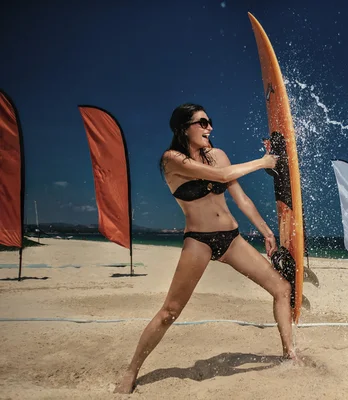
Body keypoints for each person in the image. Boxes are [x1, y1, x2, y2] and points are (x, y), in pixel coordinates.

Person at [114, 103, 298, 394]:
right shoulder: (171, 159)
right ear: (183, 128)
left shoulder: (219, 155)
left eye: (209, 122)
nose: (209, 127)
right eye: (201, 123)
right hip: (199, 241)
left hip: (232, 239)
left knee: (282, 289)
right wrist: (263, 162)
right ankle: (132, 370)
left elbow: (240, 197)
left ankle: (290, 355)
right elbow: (223, 178)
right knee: (170, 311)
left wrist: (265, 231)